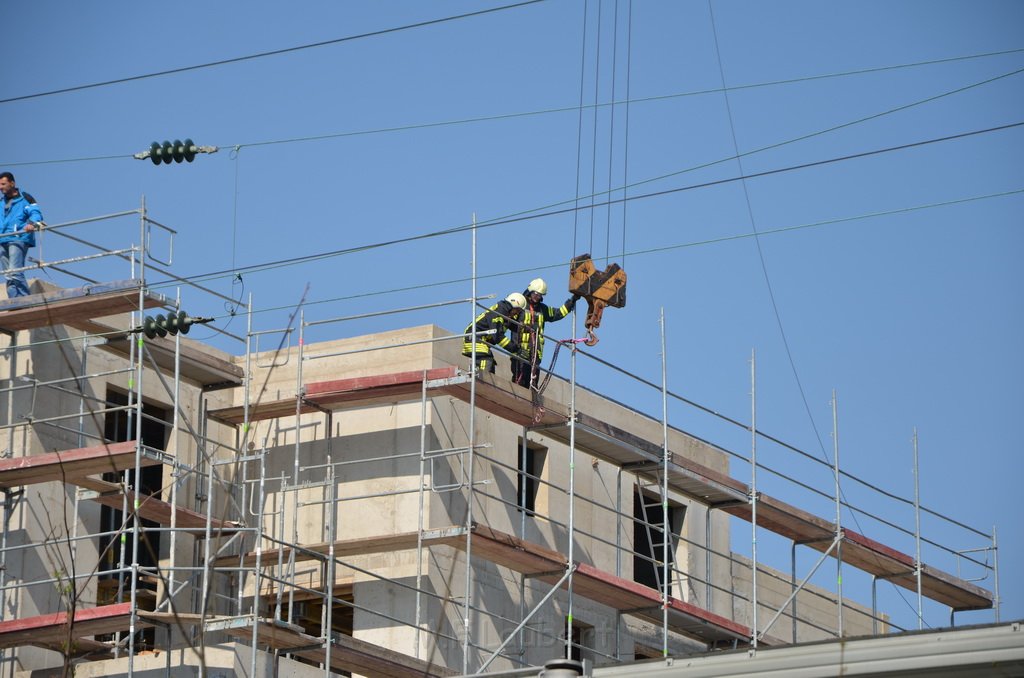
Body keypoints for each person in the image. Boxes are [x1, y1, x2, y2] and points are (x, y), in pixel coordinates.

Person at [510, 278, 579, 389]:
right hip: (520, 352)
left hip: (535, 355)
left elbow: (559, 313)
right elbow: (509, 322)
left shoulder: (543, 309)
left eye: (540, 295)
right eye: (536, 294)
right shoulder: (520, 305)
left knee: (533, 384)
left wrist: (572, 300)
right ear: (530, 291)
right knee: (519, 382)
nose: (537, 297)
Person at [0, 172, 43, 298]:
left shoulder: (25, 198)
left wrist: (31, 224)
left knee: (15, 270)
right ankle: (14, 301)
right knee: (8, 273)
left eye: (3, 184)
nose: (0, 187)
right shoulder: (1, 202)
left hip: (18, 238)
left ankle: (25, 299)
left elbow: (36, 214)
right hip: (2, 239)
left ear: (12, 183)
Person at [463, 293, 526, 374]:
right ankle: (480, 382)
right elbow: (498, 337)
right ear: (512, 305)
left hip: (480, 340)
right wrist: (514, 349)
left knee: (490, 365)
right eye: (517, 310)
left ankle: (482, 381)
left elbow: (512, 326)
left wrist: (527, 329)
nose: (517, 313)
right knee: (486, 360)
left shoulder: (504, 314)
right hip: (474, 339)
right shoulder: (498, 313)